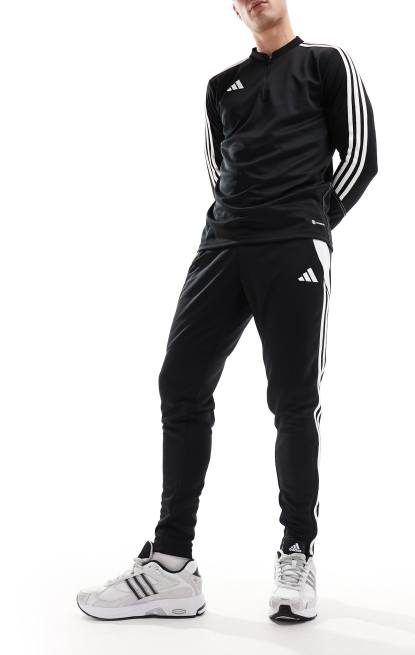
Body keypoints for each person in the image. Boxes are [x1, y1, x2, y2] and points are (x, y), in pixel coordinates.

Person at [76, 0, 377, 623]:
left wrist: (309, 222)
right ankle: (171, 565)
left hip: (292, 246)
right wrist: (243, 222)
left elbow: (361, 158)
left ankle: (297, 553)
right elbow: (219, 170)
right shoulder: (221, 86)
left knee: (293, 399)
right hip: (221, 247)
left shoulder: (326, 64)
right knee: (181, 383)